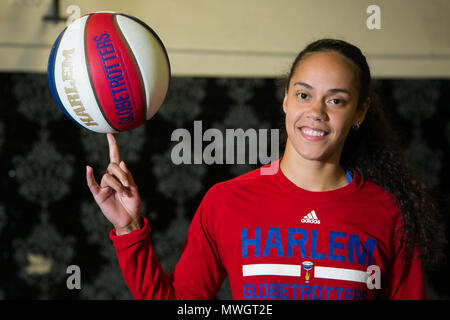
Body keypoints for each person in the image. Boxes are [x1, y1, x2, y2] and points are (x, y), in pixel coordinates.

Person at [86, 39, 444, 300]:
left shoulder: (388, 212)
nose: (316, 111)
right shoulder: (226, 201)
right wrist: (129, 228)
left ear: (360, 112)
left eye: (336, 100)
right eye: (304, 95)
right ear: (286, 98)